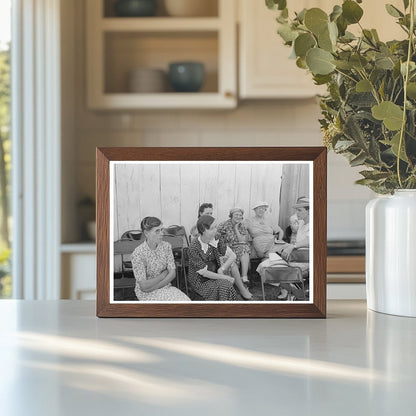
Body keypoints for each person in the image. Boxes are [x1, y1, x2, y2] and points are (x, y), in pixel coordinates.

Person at [188, 215, 253, 301]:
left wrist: (221, 269)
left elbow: (232, 255)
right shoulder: (194, 247)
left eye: (216, 227)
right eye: (212, 228)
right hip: (200, 280)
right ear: (203, 230)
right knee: (225, 284)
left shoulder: (216, 237)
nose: (216, 230)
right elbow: (204, 273)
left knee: (225, 284)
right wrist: (225, 277)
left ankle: (226, 308)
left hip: (214, 273)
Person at [131, 216, 190, 302]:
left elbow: (172, 273)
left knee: (186, 302)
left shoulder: (166, 246)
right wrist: (163, 275)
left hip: (165, 287)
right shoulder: (138, 254)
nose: (162, 233)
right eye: (157, 231)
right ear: (146, 233)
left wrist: (156, 286)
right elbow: (143, 286)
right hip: (146, 293)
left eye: (161, 229)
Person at [216, 207, 251, 284]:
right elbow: (216, 238)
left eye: (240, 215)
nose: (238, 217)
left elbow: (242, 240)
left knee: (245, 248)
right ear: (231, 215)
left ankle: (244, 277)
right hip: (226, 248)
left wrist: (236, 228)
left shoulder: (241, 226)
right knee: (243, 248)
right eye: (236, 214)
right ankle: (238, 278)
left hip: (237, 247)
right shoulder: (223, 224)